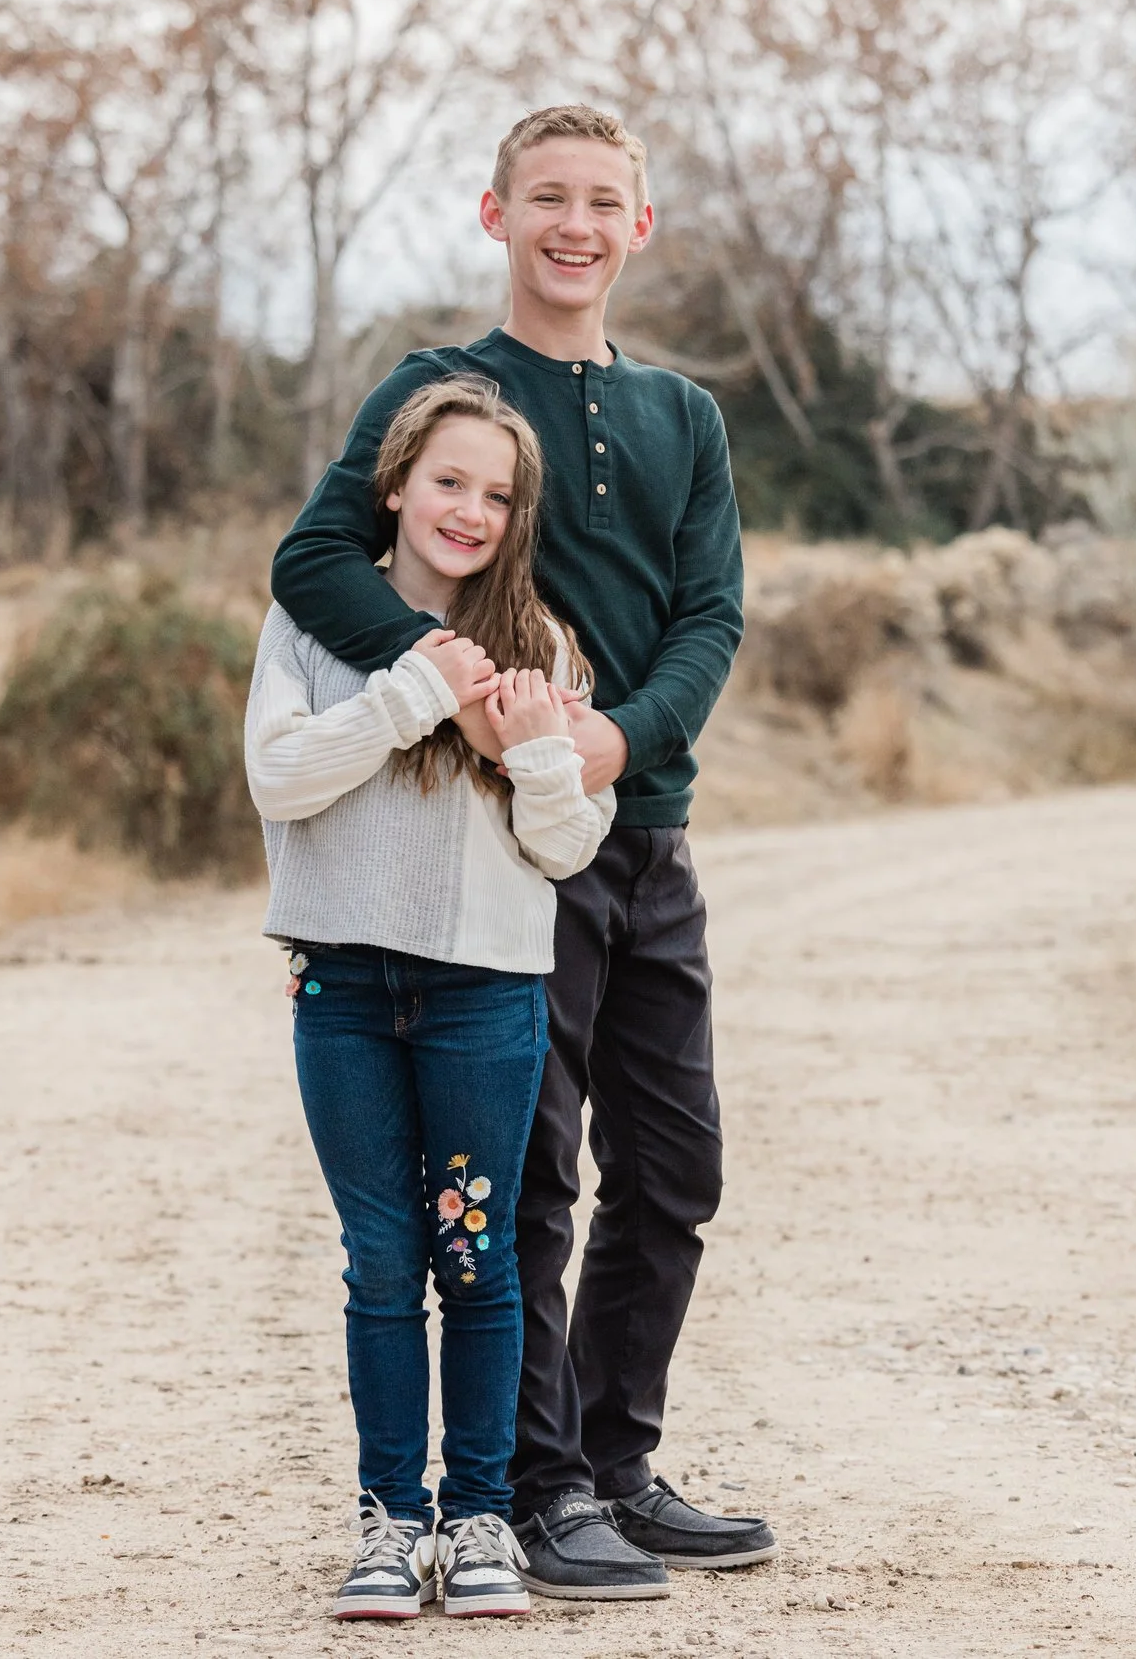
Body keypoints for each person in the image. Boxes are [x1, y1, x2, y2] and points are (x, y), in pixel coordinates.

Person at [270, 103, 775, 1601]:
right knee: (533, 1181)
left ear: (641, 226)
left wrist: (621, 740)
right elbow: (313, 562)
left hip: (646, 834)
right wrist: (463, 689)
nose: (575, 224)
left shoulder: (687, 416)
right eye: (545, 198)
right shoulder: (444, 393)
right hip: (507, 856)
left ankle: (618, 1463)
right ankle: (541, 1491)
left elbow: (710, 617)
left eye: (602, 201)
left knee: (674, 1169)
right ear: (495, 217)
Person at [246, 374, 617, 1619]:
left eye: (498, 495)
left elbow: (566, 847)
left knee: (478, 1259)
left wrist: (532, 752)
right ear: (395, 485)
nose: (469, 510)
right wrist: (410, 694)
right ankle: (389, 1518)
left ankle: (479, 1520)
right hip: (342, 982)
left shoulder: (543, 647)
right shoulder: (307, 620)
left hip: (483, 992)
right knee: (380, 1260)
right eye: (448, 481)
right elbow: (280, 778)